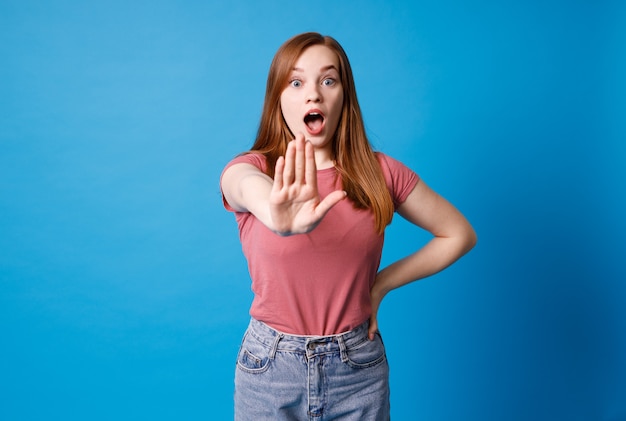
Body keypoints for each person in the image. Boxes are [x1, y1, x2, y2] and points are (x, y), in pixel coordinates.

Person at [220, 32, 477, 420]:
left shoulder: (381, 173)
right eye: (296, 82)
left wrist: (383, 284)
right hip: (270, 369)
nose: (313, 95)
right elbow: (242, 186)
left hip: (357, 368)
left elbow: (458, 233)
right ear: (278, 98)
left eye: (328, 80)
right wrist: (275, 214)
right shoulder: (253, 169)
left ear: (344, 95)